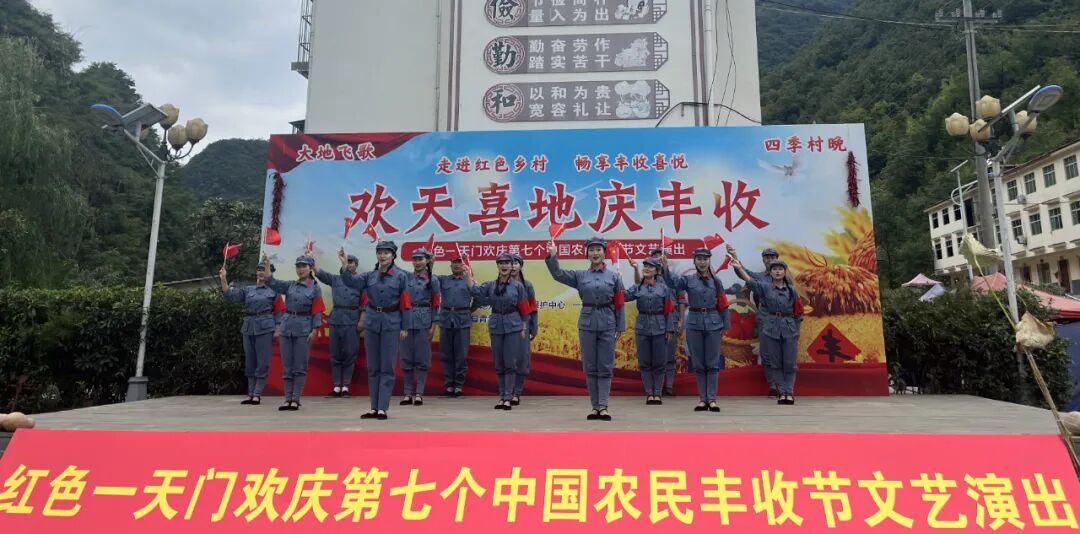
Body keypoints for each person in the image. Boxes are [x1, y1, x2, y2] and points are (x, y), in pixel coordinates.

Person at [546, 237, 626, 421]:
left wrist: (620, 326)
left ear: (604, 253)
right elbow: (558, 274)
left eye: (598, 249)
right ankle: (595, 406)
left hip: (607, 323)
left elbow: (620, 303)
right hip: (587, 322)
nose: (595, 253)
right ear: (587, 254)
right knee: (590, 366)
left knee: (605, 366)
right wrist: (552, 256)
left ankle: (603, 406)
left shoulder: (614, 277)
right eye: (591, 250)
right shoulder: (580, 276)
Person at [340, 241, 413, 420]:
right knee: (373, 367)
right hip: (372, 322)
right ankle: (373, 407)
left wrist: (405, 326)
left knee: (387, 367)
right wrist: (344, 264)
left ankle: (382, 408)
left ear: (393, 256)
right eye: (380, 252)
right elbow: (351, 281)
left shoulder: (401, 276)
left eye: (386, 253)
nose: (382, 255)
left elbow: (406, 303)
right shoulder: (370, 276)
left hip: (391, 323)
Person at [663, 247, 729, 412]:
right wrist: (664, 268)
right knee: (698, 363)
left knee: (712, 364)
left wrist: (725, 325)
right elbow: (672, 283)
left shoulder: (716, 281)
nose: (702, 262)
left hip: (713, 323)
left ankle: (712, 399)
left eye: (705, 259)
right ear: (694, 261)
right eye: (699, 259)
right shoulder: (688, 280)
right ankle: (702, 399)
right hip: (694, 323)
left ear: (709, 261)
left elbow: (723, 304)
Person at [732, 258, 803, 405]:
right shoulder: (765, 288)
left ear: (784, 272)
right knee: (775, 362)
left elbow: (798, 312)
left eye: (780, 269)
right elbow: (750, 281)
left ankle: (789, 392)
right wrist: (739, 267)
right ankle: (782, 392)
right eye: (774, 269)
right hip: (771, 328)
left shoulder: (792, 290)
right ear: (770, 272)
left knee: (789, 362)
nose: (777, 271)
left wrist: (796, 330)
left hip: (789, 327)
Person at [262, 253, 326, 411]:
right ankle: (287, 398)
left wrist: (315, 330)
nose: (301, 269)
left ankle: (296, 399)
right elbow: (271, 282)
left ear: (310, 268)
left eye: (304, 266)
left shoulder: (315, 288)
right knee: (287, 366)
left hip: (303, 329)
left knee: (300, 366)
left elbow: (317, 311)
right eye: (298, 266)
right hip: (287, 327)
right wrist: (267, 265)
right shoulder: (290, 285)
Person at [468, 254, 531, 410]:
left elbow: (524, 309)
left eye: (507, 263)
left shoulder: (518, 286)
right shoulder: (490, 285)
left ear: (511, 265)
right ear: (497, 266)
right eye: (501, 263)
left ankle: (508, 397)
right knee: (498, 363)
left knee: (510, 362)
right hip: (496, 325)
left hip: (513, 325)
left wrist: (524, 327)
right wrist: (467, 275)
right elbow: (476, 291)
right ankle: (502, 396)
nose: (504, 266)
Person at [726, 245, 787, 398]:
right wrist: (734, 255)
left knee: (783, 354)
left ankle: (784, 386)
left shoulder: (786, 278)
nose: (770, 260)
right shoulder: (759, 277)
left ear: (777, 258)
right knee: (766, 353)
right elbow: (743, 272)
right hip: (765, 319)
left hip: (784, 321)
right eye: (767, 257)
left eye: (772, 257)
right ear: (763, 259)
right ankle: (772, 386)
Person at [219, 262, 282, 405]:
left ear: (270, 273)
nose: (261, 272)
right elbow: (230, 295)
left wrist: (278, 329)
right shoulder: (248, 289)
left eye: (264, 270)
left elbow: (279, 311)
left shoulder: (274, 291)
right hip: (248, 327)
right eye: (259, 269)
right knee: (250, 361)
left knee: (263, 362)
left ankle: (257, 394)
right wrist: (223, 279)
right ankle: (250, 393)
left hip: (265, 327)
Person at [625, 257, 677, 405]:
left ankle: (658, 393)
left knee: (660, 362)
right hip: (642, 327)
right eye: (645, 266)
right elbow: (624, 296)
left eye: (650, 267)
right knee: (645, 362)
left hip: (660, 327)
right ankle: (649, 393)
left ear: (657, 271)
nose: (647, 269)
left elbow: (669, 310)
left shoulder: (664, 289)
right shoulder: (637, 288)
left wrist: (670, 329)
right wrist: (618, 281)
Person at [314, 251, 362, 398]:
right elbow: (319, 273)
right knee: (335, 354)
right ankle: (336, 387)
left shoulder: (361, 281)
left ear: (356, 265)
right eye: (347, 262)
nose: (348, 264)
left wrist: (362, 321)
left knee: (350, 354)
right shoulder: (335, 279)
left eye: (351, 262)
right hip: (336, 320)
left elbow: (366, 303)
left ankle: (345, 386)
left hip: (352, 321)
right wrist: (310, 256)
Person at [400, 248, 441, 407]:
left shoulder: (433, 280)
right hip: (407, 320)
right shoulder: (406, 277)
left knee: (422, 358)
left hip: (424, 321)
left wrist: (433, 325)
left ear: (427, 261)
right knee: (406, 358)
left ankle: (419, 393)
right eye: (415, 259)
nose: (417, 262)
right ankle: (407, 393)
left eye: (420, 259)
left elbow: (436, 303)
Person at [436, 252, 474, 397]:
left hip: (462, 320)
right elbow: (429, 277)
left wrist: (469, 310)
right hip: (446, 319)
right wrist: (430, 262)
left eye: (459, 262)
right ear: (450, 265)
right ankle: (448, 385)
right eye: (454, 262)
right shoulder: (443, 280)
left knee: (461, 355)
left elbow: (479, 296)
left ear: (464, 265)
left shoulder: (468, 280)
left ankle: (458, 385)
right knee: (446, 354)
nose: (457, 265)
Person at [509, 254, 538, 406]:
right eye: (511, 263)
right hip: (506, 324)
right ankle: (507, 391)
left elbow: (533, 307)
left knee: (521, 359)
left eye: (516, 263)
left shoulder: (527, 286)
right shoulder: (501, 285)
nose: (513, 266)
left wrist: (534, 327)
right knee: (507, 358)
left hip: (523, 324)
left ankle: (517, 392)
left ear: (520, 266)